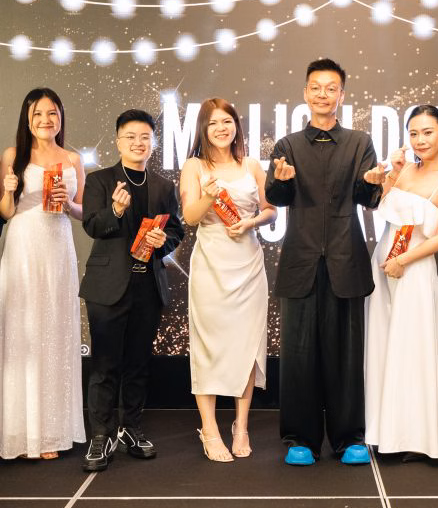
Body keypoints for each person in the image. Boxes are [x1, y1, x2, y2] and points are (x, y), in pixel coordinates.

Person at [265, 58, 383, 466]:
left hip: (346, 261)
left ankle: (349, 437)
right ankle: (301, 438)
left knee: (346, 355)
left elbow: (368, 198)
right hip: (300, 262)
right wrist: (281, 180)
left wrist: (372, 184)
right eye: (316, 87)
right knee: (299, 355)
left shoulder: (360, 142)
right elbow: (276, 197)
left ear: (341, 95)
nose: (323, 94)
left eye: (331, 88)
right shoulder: (287, 146)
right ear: (305, 93)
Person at [79, 109, 184, 472]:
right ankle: (100, 436)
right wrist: (116, 211)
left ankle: (131, 429)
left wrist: (161, 242)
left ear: (153, 142)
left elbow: (177, 231)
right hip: (107, 287)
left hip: (148, 286)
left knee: (138, 364)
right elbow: (92, 225)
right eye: (130, 137)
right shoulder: (100, 180)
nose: (138, 143)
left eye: (145, 137)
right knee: (105, 365)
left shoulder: (164, 186)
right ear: (118, 141)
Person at [365, 106, 438, 459]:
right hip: (383, 266)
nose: (420, 140)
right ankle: (383, 432)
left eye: (427, 132)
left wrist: (403, 261)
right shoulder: (404, 170)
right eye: (413, 133)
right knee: (383, 347)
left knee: (412, 351)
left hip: (415, 271)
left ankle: (415, 440)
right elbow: (382, 209)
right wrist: (389, 176)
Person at [180, 98, 276, 463]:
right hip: (211, 265)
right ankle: (209, 428)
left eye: (227, 121)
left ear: (236, 125)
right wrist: (208, 196)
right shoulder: (194, 166)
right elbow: (190, 216)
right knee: (208, 346)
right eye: (213, 123)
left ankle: (241, 426)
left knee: (246, 346)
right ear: (203, 129)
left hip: (248, 264)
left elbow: (271, 210)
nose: (221, 128)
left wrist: (252, 222)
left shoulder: (251, 165)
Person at [0, 88, 85, 459]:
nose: (46, 120)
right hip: (24, 247)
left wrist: (68, 204)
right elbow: (6, 212)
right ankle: (21, 434)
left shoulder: (72, 159)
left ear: (61, 117)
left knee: (55, 331)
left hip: (58, 248)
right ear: (27, 118)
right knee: (24, 333)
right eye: (38, 114)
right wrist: (8, 191)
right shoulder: (12, 156)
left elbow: (82, 212)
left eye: (52, 113)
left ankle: (50, 433)